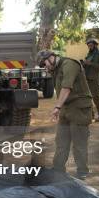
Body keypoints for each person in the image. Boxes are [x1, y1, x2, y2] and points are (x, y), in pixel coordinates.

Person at [38, 50, 92, 180]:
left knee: (79, 142)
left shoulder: (69, 64)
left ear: (51, 57)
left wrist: (57, 107)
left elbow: (66, 87)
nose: (45, 67)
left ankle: (82, 172)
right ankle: (57, 169)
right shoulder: (55, 69)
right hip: (66, 108)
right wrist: (60, 107)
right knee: (61, 140)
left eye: (44, 63)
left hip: (79, 108)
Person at [82, 38, 99, 122]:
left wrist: (90, 63)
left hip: (94, 78)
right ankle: (91, 115)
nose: (89, 47)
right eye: (88, 46)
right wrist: (84, 63)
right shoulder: (89, 53)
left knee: (96, 97)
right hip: (87, 77)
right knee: (87, 97)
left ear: (95, 45)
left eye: (91, 45)